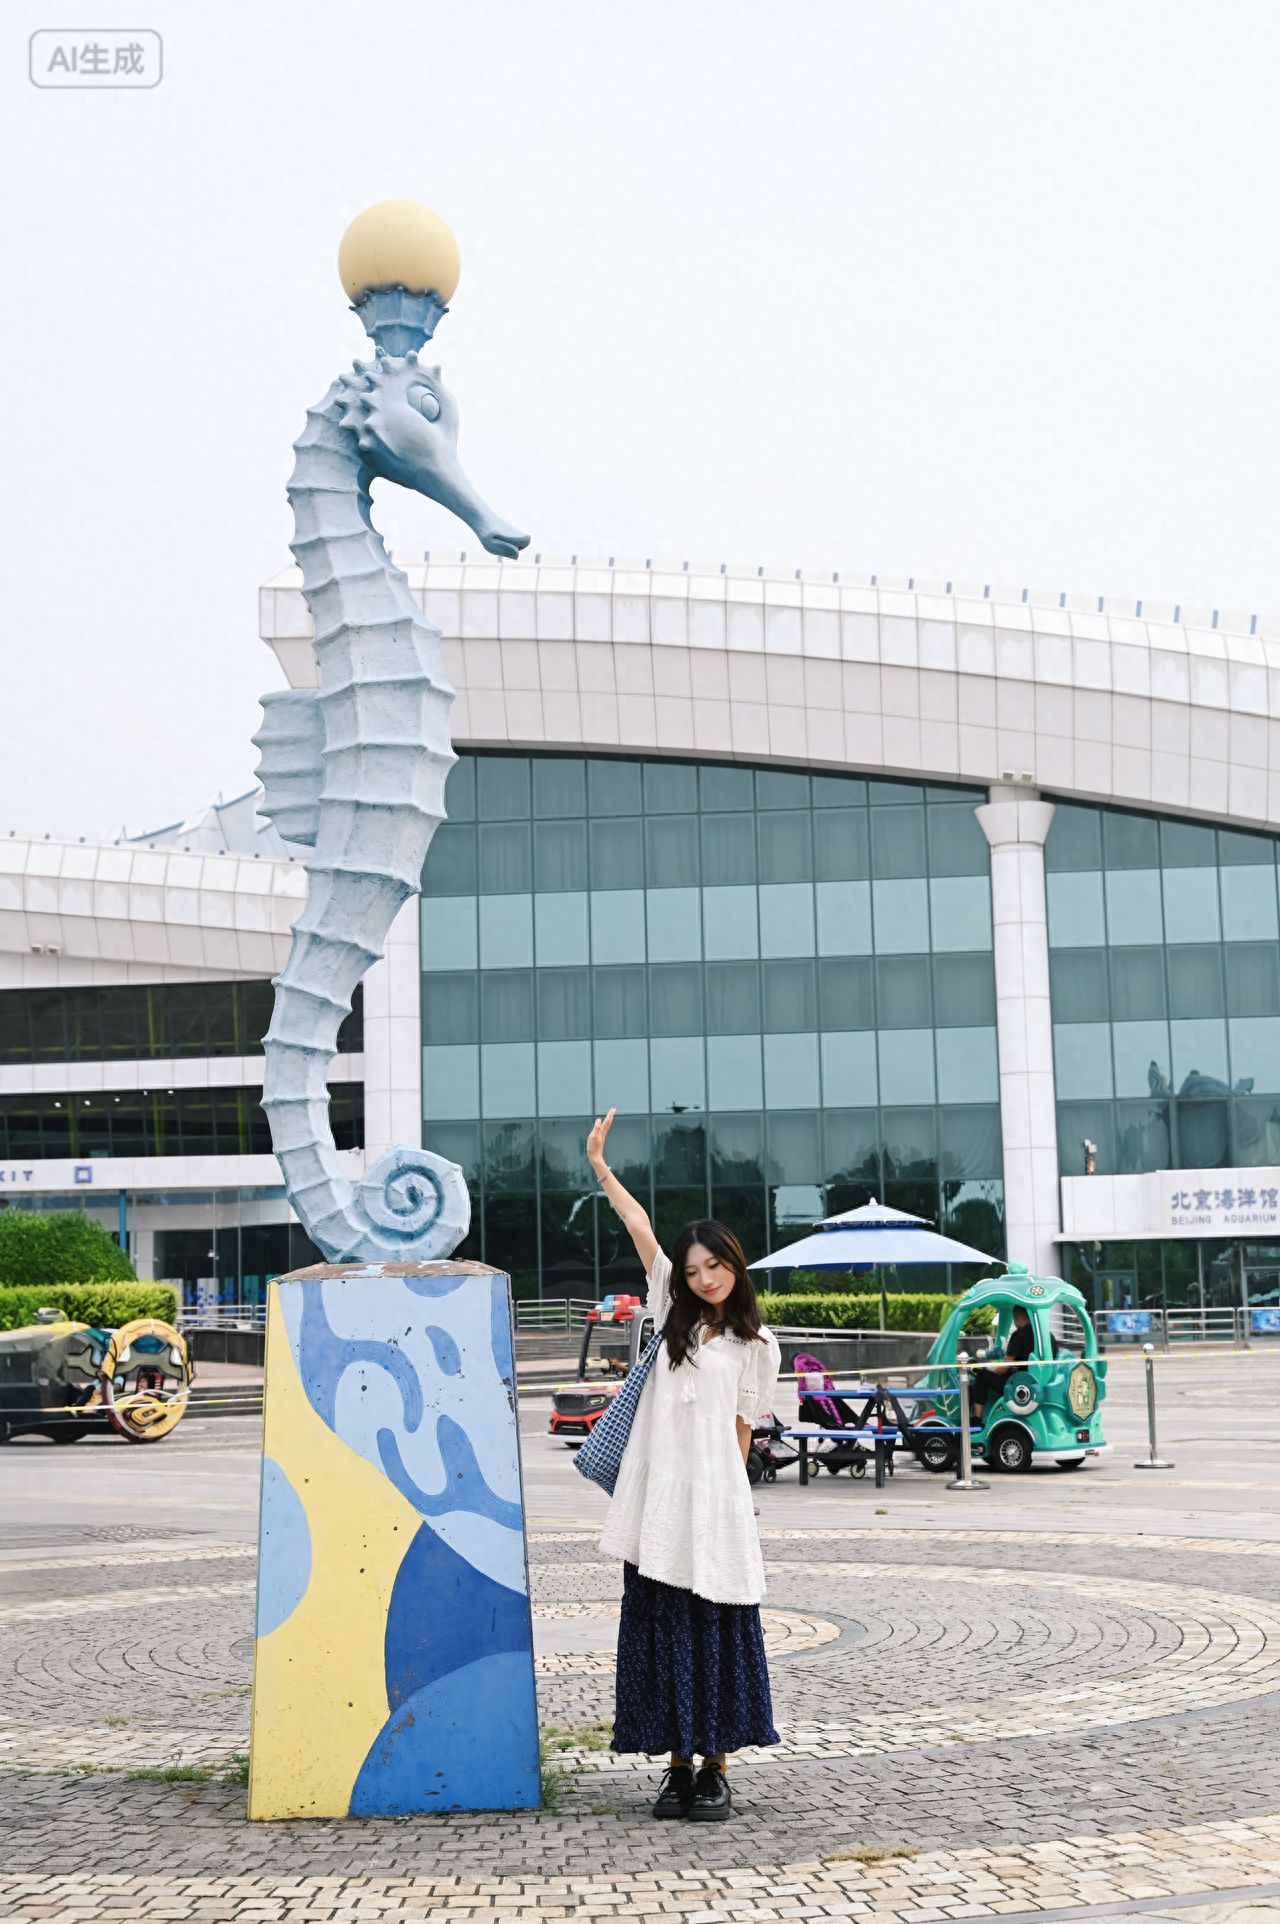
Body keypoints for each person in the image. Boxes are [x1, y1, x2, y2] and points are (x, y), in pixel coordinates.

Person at [586, 1106, 782, 1823]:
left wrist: (734, 1511)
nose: (704, 1278)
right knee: (663, 1632)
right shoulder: (671, 1310)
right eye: (694, 1269)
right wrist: (602, 1165)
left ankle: (717, 1770)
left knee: (716, 1637)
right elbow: (640, 1228)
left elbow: (741, 1434)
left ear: (734, 1265)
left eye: (715, 1266)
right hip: (658, 1505)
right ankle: (675, 1769)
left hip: (717, 1508)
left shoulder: (759, 1346)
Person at [969, 1304, 1039, 1426]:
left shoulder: (1019, 1335)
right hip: (1036, 1382)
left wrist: (987, 1368)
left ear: (1016, 1317)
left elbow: (1003, 1368)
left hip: (1019, 1384)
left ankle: (977, 1420)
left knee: (982, 1376)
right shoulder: (1045, 1335)